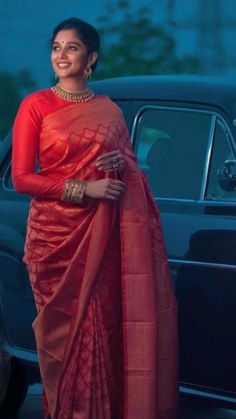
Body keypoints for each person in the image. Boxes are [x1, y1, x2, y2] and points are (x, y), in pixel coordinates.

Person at [12, 17, 178, 419]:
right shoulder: (35, 105)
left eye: (71, 47)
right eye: (56, 47)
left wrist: (122, 163)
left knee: (100, 330)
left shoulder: (109, 110)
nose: (61, 55)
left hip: (101, 236)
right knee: (61, 342)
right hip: (53, 240)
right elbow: (21, 178)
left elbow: (132, 168)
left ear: (91, 58)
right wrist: (84, 189)